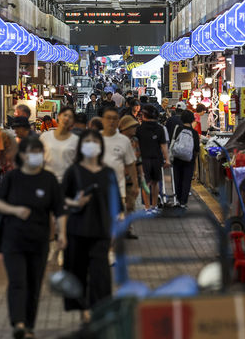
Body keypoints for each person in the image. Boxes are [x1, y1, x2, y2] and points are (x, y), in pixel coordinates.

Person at [0, 137, 67, 339]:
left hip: (39, 241)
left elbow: (59, 210)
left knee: (34, 283)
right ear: (23, 155)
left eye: (39, 152)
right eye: (32, 152)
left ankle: (30, 326)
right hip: (13, 239)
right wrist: (15, 210)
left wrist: (63, 236)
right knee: (17, 281)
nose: (36, 156)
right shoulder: (12, 178)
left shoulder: (49, 180)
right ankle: (18, 322)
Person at [62, 130, 123, 324]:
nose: (91, 144)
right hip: (76, 230)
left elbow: (116, 205)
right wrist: (74, 205)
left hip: (102, 231)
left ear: (101, 145)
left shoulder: (108, 173)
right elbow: (60, 200)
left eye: (95, 141)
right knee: (77, 272)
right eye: (87, 141)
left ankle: (100, 310)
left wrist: (116, 229)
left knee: (101, 274)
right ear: (80, 146)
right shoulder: (73, 171)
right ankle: (83, 311)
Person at [101, 107, 139, 239]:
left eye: (114, 119)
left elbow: (132, 163)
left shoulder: (126, 141)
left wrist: (136, 183)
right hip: (101, 187)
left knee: (122, 212)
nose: (111, 121)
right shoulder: (96, 139)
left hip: (121, 186)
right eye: (108, 118)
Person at [135, 105, 170, 213]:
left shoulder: (139, 129)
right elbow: (163, 145)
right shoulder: (160, 128)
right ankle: (154, 206)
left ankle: (147, 207)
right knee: (155, 183)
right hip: (156, 159)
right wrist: (167, 159)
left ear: (144, 115)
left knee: (146, 184)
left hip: (144, 160)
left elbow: (136, 146)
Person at [39, 107, 79, 183]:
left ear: (73, 122)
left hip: (67, 182)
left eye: (70, 117)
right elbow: (40, 160)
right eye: (65, 115)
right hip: (47, 180)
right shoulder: (44, 137)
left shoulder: (76, 140)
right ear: (59, 116)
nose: (67, 119)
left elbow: (77, 163)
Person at [171, 111, 201, 209]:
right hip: (189, 160)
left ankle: (178, 199)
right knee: (186, 180)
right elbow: (197, 149)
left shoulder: (177, 129)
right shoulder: (194, 133)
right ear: (192, 119)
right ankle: (183, 202)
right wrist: (194, 157)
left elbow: (173, 142)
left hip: (177, 158)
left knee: (177, 179)